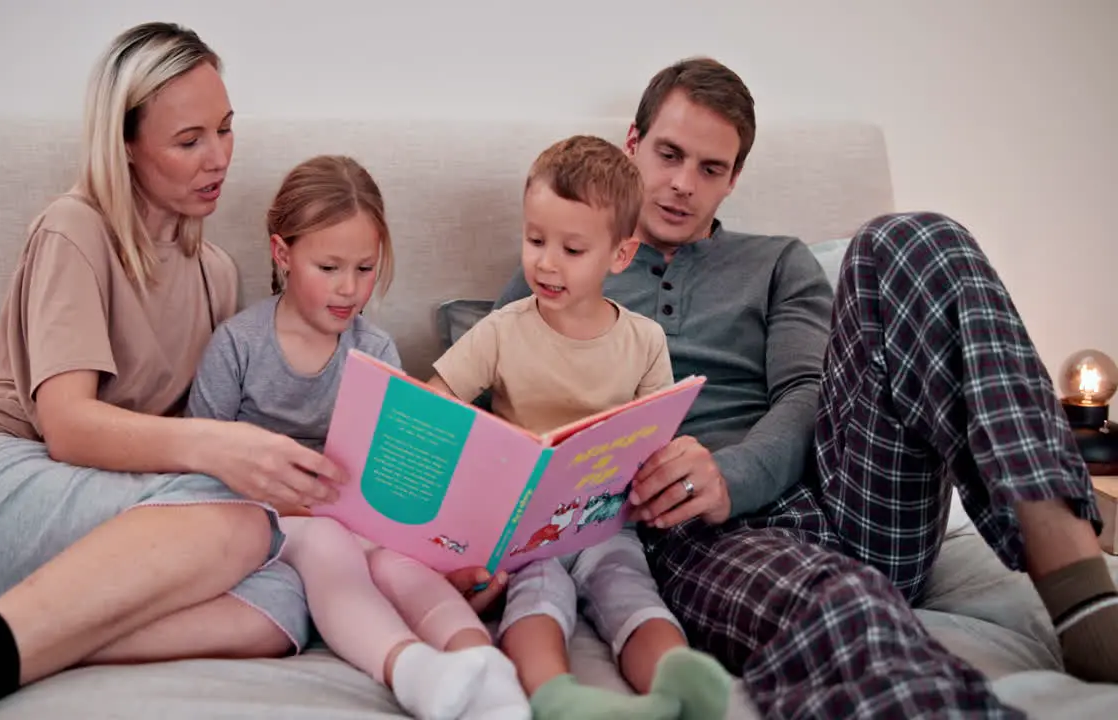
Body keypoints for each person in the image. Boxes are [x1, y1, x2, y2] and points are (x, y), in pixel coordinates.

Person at [470, 57, 1118, 717]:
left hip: (851, 498)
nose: (681, 185)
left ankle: (1079, 587)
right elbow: (485, 417)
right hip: (698, 535)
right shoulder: (556, 268)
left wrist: (731, 472)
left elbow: (808, 391)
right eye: (668, 155)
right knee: (843, 612)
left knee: (916, 238)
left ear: (734, 178)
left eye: (710, 169)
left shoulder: (778, 260)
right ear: (632, 144)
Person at [0, 22, 340, 720]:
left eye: (225, 130)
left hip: (74, 531)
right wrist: (222, 451)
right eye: (189, 141)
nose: (218, 158)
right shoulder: (75, 228)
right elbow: (69, 426)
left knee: (281, 602)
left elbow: (173, 479)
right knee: (242, 528)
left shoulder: (216, 275)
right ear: (126, 147)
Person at [184, 154, 530, 720]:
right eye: (329, 268)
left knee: (402, 567)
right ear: (282, 254)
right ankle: (410, 670)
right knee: (330, 547)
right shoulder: (238, 346)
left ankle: (486, 673)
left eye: (365, 268)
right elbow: (199, 470)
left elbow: (394, 476)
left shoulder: (374, 352)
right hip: (272, 524)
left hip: (359, 523)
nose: (350, 288)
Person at [427, 135, 731, 720]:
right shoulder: (501, 330)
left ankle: (678, 684)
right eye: (535, 240)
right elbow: (438, 409)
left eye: (571, 248)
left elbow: (656, 439)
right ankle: (556, 697)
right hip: (523, 526)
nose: (545, 262)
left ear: (619, 255)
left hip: (604, 521)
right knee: (537, 596)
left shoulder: (645, 341)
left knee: (631, 592)